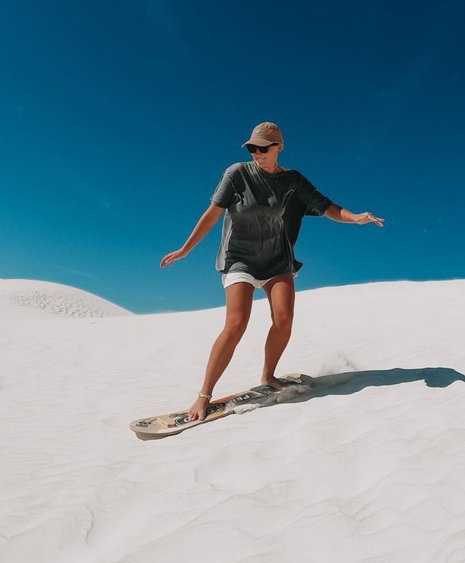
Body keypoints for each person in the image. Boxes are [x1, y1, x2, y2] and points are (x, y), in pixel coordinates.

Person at [160, 122, 385, 421]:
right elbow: (213, 213)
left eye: (264, 148)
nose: (257, 153)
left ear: (279, 147)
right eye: (252, 147)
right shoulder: (237, 174)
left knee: (284, 320)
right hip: (239, 258)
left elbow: (327, 206)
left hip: (277, 261)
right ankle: (204, 395)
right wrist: (185, 249)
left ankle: (268, 375)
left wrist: (356, 218)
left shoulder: (293, 181)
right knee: (236, 323)